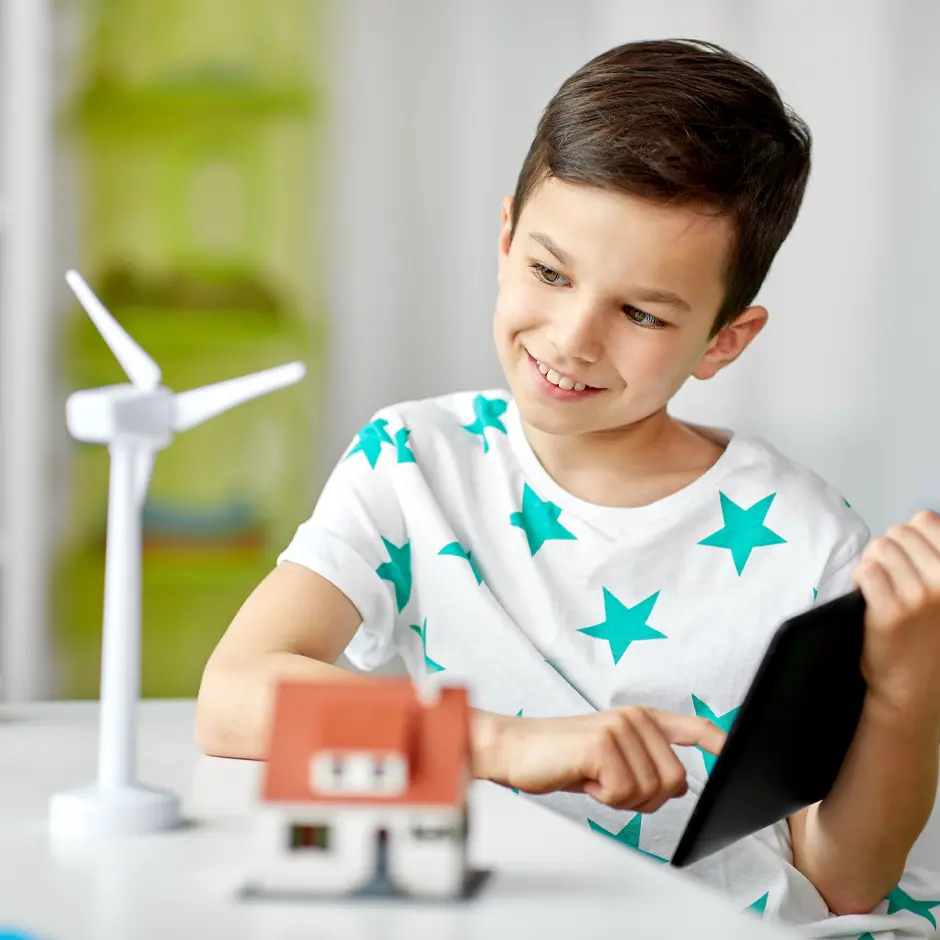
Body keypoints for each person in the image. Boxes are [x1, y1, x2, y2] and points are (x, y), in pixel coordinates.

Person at [195, 38, 940, 937]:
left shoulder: (811, 539)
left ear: (722, 340)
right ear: (505, 239)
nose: (573, 338)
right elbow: (233, 697)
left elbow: (845, 882)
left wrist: (906, 688)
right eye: (550, 273)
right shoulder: (413, 462)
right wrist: (510, 746)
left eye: (641, 313)